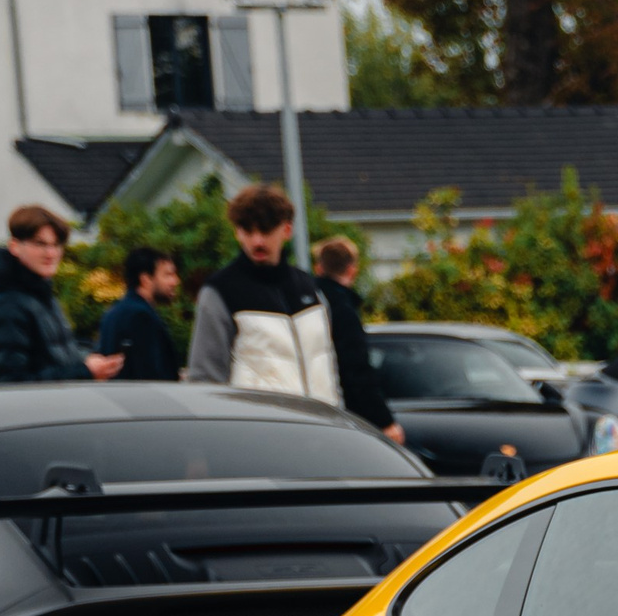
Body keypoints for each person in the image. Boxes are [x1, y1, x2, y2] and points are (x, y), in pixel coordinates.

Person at [187, 185, 341, 403]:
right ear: (238, 232)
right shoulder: (220, 291)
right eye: (249, 231)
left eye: (266, 230)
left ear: (286, 230)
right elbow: (205, 380)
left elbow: (329, 367)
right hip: (257, 431)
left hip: (323, 428)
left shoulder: (309, 288)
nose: (257, 241)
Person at [0, 203, 122, 383]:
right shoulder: (8, 305)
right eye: (40, 243)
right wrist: (84, 372)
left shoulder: (43, 295)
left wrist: (87, 360)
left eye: (56, 244)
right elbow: (10, 384)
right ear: (15, 246)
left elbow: (55, 358)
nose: (51, 253)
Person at [312, 237, 404, 439]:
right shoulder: (344, 309)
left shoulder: (308, 304)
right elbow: (356, 370)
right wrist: (385, 422)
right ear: (352, 269)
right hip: (344, 415)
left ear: (318, 268)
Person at [97, 246, 182, 382]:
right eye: (168, 275)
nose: (175, 281)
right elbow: (151, 376)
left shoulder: (114, 311)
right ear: (146, 279)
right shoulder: (141, 317)